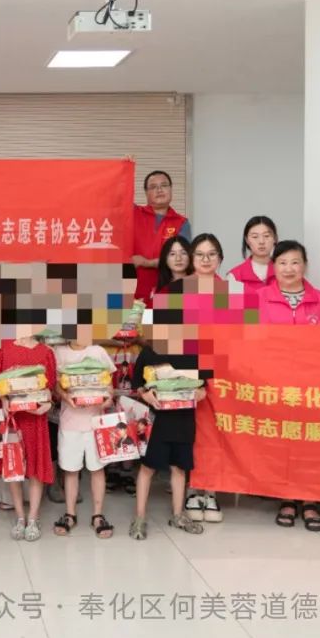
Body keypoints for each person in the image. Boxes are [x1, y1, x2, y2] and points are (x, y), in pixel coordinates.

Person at [258, 240, 320, 531]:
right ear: (273, 266)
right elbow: (245, 340)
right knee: (284, 441)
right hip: (274, 382)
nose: (289, 268)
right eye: (283, 262)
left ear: (305, 265)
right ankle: (286, 497)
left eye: (295, 262)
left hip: (313, 384)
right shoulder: (259, 299)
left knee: (311, 442)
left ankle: (310, 500)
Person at [129, 344, 207, 539]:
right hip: (156, 421)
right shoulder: (150, 351)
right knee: (147, 468)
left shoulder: (193, 350)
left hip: (184, 419)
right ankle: (139, 518)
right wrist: (144, 394)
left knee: (179, 468)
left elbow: (203, 385)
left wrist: (201, 392)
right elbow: (136, 382)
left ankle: (178, 515)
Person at [178, 233, 228, 524]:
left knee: (216, 435)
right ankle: (192, 490)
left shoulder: (231, 292)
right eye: (200, 254)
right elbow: (166, 338)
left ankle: (212, 491)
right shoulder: (178, 290)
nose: (206, 260)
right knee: (191, 435)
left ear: (220, 258)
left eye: (212, 254)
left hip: (222, 375)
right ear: (192, 259)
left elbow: (242, 340)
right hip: (186, 375)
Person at [0, 338, 56, 542]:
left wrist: (48, 404)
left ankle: (33, 518)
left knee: (36, 467)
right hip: (13, 419)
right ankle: (20, 517)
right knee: (14, 466)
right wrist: (4, 400)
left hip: (36, 419)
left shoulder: (45, 352)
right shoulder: (3, 347)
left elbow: (49, 388)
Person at [52, 338, 117, 539]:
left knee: (97, 469)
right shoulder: (59, 352)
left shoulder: (97, 351)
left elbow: (109, 385)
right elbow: (56, 385)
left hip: (95, 422)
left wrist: (108, 399)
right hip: (70, 421)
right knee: (70, 470)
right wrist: (65, 396)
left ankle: (97, 515)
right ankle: (70, 514)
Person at [132, 170, 192, 302]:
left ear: (171, 189)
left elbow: (183, 259)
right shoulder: (133, 213)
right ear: (146, 193)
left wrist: (146, 263)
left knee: (164, 316)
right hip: (132, 292)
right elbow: (114, 195)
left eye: (164, 185)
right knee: (131, 317)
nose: (159, 190)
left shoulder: (182, 223)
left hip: (167, 292)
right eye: (153, 187)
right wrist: (123, 170)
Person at [227, 216, 277, 294]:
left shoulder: (285, 272)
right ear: (247, 240)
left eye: (266, 236)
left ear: (275, 238)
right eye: (255, 237)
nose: (261, 241)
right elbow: (221, 302)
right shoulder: (234, 276)